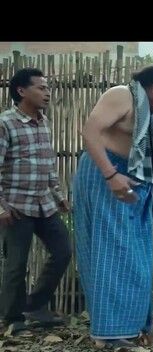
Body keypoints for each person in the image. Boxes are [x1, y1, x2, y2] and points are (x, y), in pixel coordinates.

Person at [73, 64, 153, 348]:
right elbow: (89, 133)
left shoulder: (149, 113)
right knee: (112, 252)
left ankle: (130, 326)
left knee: (136, 255)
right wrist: (110, 175)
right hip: (104, 174)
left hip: (132, 179)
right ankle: (108, 333)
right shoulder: (121, 95)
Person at [0, 68, 71, 334]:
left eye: (47, 87)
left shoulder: (43, 121)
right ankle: (13, 318)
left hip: (44, 203)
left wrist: (58, 195)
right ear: (21, 91)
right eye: (41, 88)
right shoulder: (5, 123)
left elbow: (47, 163)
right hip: (15, 206)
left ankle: (35, 306)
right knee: (16, 264)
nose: (47, 93)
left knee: (63, 251)